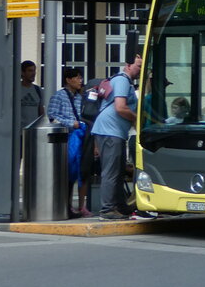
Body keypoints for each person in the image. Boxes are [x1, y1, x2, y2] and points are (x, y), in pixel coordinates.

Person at [90, 54, 142, 220]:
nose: (140, 70)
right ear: (128, 66)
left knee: (118, 170)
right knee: (111, 171)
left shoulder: (123, 80)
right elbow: (120, 107)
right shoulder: (122, 80)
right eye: (138, 66)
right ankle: (107, 210)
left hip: (113, 131)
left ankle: (120, 206)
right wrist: (137, 119)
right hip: (110, 131)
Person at [48, 67, 91, 217]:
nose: (81, 81)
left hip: (81, 137)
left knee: (83, 171)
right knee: (69, 173)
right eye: (77, 78)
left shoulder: (80, 97)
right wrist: (70, 124)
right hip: (67, 139)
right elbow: (52, 117)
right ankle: (66, 204)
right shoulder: (58, 96)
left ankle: (82, 206)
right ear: (68, 80)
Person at [18, 60, 44, 132]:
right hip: (18, 132)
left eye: (34, 71)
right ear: (22, 72)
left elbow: (41, 113)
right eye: (30, 71)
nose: (33, 74)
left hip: (33, 132)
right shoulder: (16, 89)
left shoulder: (38, 90)